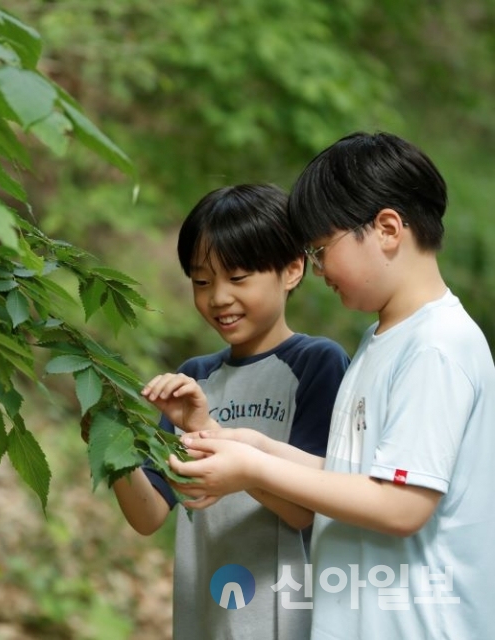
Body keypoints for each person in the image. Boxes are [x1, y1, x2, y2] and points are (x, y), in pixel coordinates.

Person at [169, 132, 495, 639]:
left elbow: (401, 504)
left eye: (322, 250)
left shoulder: (436, 346)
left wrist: (254, 467)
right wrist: (257, 447)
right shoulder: (383, 340)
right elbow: (357, 478)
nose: (318, 270)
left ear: (387, 228)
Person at [108, 183, 350, 639]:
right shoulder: (192, 380)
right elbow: (149, 516)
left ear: (293, 269)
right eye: (202, 281)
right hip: (205, 616)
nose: (218, 297)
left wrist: (216, 438)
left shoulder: (317, 363)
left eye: (238, 278)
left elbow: (309, 510)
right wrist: (111, 441)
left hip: (286, 619)